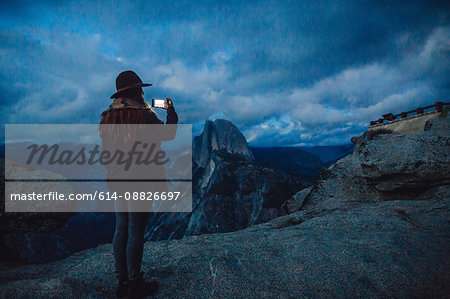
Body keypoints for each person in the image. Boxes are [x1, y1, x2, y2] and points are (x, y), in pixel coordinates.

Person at [99, 70, 178, 298]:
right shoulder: (144, 116)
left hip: (117, 179)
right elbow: (169, 134)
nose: (143, 91)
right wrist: (170, 110)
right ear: (135, 90)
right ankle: (135, 283)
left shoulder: (107, 116)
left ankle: (122, 282)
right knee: (136, 231)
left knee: (120, 228)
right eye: (140, 88)